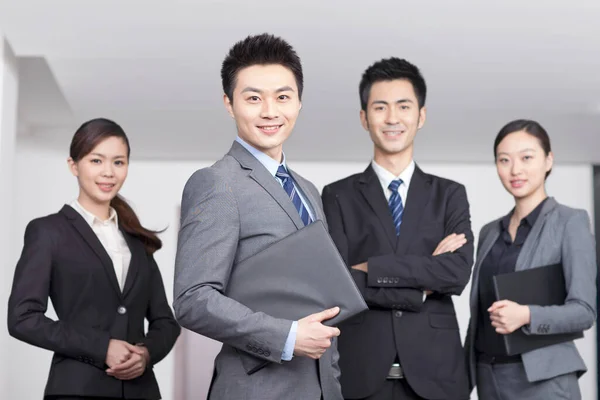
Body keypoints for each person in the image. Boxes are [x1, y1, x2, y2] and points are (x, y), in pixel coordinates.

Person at [173, 33, 342, 400]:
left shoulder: (309, 191)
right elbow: (193, 298)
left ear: (298, 103)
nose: (270, 111)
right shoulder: (217, 183)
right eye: (253, 98)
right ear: (229, 104)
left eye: (283, 97)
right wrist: (288, 337)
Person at [322, 57, 473, 400]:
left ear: (420, 115)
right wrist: (420, 285)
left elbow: (455, 273)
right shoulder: (338, 195)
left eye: (403, 106)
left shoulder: (449, 194)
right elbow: (338, 284)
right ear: (364, 118)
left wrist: (371, 267)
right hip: (360, 373)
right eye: (380, 107)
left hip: (437, 375)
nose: (392, 118)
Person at [7, 118, 180, 399]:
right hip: (77, 390)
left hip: (141, 391)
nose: (108, 172)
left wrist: (146, 354)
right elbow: (22, 319)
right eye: (96, 161)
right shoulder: (48, 232)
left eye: (118, 162)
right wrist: (102, 347)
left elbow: (165, 322)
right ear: (73, 166)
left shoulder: (136, 240)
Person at [464, 119, 596, 400]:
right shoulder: (490, 232)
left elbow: (584, 311)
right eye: (504, 160)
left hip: (543, 382)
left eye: (527, 157)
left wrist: (526, 315)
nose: (515, 170)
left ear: (548, 160)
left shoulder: (570, 222)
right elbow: (479, 315)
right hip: (489, 378)